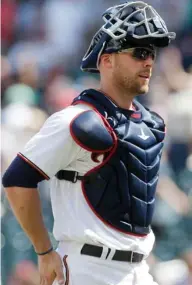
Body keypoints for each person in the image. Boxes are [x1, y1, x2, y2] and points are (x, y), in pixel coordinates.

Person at [2, 1, 176, 285]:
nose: (149, 61)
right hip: (89, 268)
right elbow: (17, 180)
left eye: (152, 54)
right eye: (139, 52)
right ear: (107, 60)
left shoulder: (150, 125)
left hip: (139, 270)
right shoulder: (76, 121)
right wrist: (44, 251)